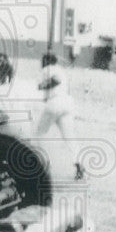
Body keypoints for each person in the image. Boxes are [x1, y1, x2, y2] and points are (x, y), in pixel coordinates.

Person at [36, 51, 83, 180]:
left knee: (40, 133)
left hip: (54, 103)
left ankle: (45, 165)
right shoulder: (61, 70)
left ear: (46, 61)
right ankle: (78, 163)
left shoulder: (47, 69)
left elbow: (54, 81)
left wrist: (42, 86)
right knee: (69, 136)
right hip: (67, 103)